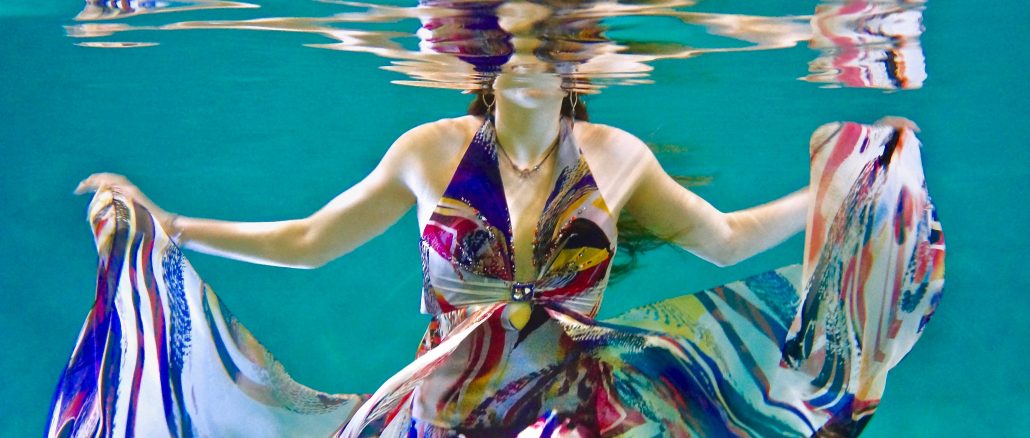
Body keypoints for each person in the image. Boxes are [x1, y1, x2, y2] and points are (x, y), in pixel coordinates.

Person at [52, 66, 944, 437]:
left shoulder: (617, 157)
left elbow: (724, 243)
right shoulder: (429, 149)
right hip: (440, 413)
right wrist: (173, 224)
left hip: (581, 410)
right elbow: (311, 242)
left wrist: (838, 193)